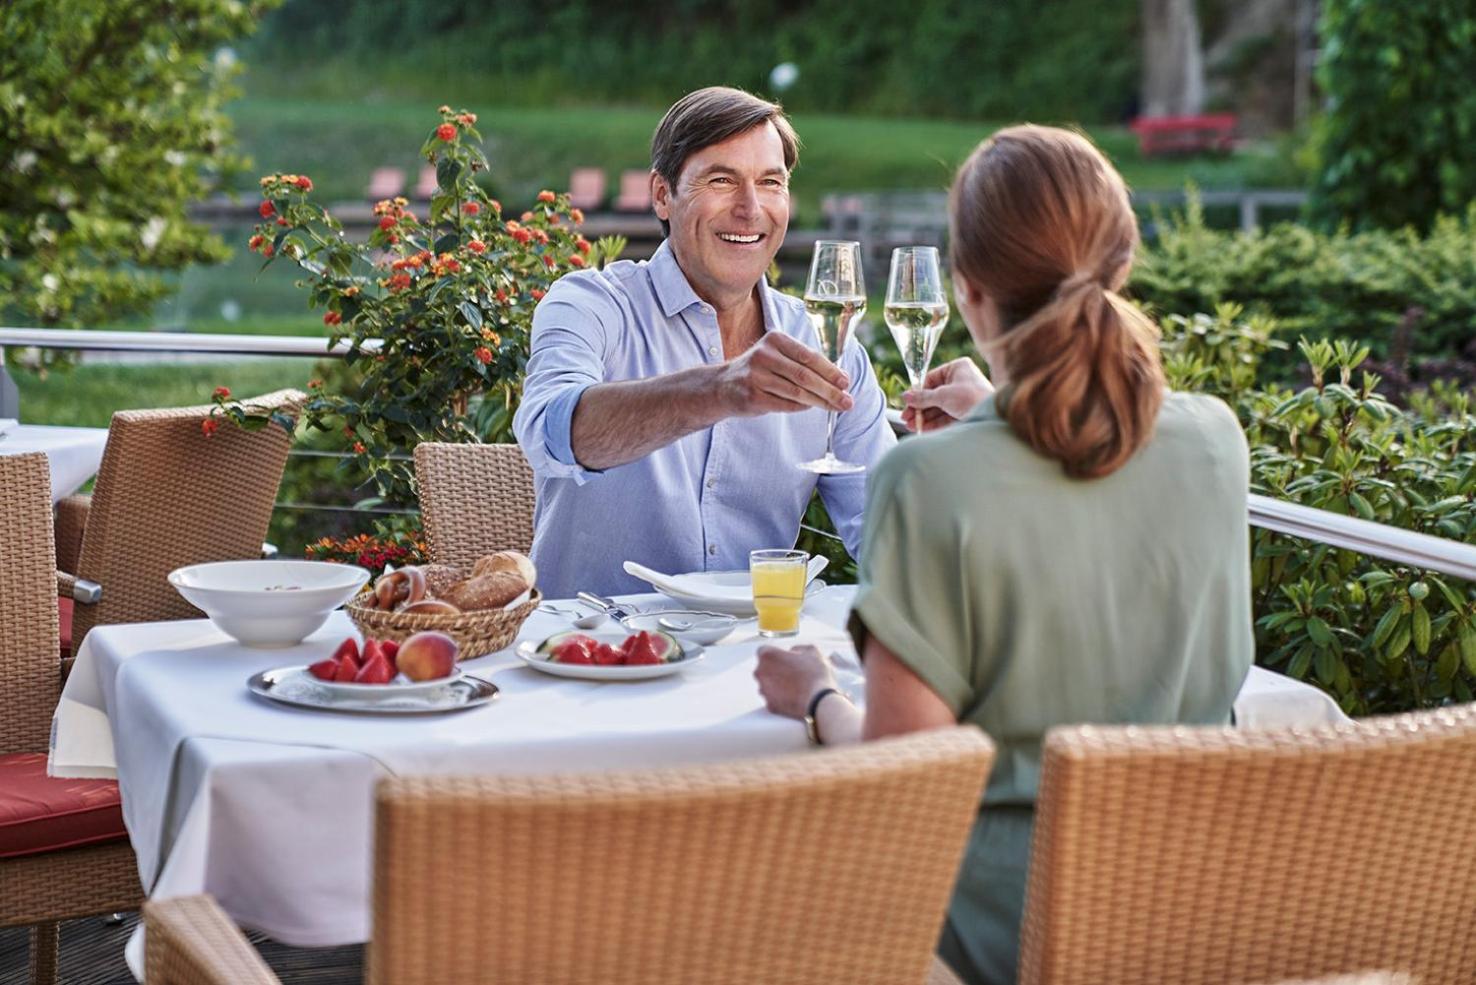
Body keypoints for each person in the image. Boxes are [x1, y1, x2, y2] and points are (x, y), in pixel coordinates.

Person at [754, 125, 1253, 985]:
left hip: (1001, 933)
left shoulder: (928, 477)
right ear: (1121, 263)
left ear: (968, 291)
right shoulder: (1216, 440)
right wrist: (1002, 412)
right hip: (1198, 909)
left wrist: (818, 695)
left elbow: (903, 776)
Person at [513, 87, 895, 598]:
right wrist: (719, 391)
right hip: (591, 656)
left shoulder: (829, 345)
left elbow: (890, 534)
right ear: (662, 195)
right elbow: (553, 432)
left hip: (751, 658)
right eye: (721, 180)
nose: (750, 208)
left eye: (771, 182)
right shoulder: (591, 303)